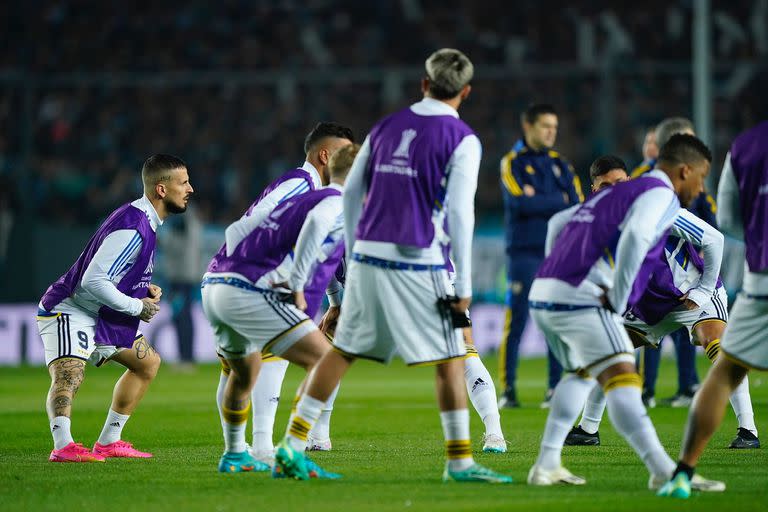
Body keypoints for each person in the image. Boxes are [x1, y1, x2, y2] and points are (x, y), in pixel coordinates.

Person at [273, 48, 512, 483]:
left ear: (424, 84)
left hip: (368, 258)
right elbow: (460, 213)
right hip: (422, 261)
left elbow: (349, 192)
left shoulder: (385, 127)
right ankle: (460, 462)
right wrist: (465, 284)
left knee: (340, 352)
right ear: (466, 92)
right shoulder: (462, 139)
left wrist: (356, 248)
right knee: (451, 357)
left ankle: (291, 444)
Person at [526, 134, 722, 491]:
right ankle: (665, 471)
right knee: (623, 382)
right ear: (685, 170)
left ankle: (547, 464)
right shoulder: (658, 193)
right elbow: (635, 236)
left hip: (545, 291)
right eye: (702, 176)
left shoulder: (615, 193)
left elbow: (557, 223)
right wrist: (619, 298)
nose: (701, 185)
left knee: (579, 374)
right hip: (582, 296)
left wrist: (554, 268)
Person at [564, 155, 759, 451]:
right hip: (648, 307)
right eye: (605, 186)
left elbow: (714, 239)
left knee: (717, 346)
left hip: (692, 295)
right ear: (594, 191)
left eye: (619, 183)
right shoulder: (594, 225)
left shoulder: (656, 207)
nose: (614, 190)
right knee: (609, 352)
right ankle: (588, 429)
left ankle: (748, 431)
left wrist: (704, 291)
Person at [202, 143, 359, 474]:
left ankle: (234, 454)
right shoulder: (334, 200)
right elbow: (317, 227)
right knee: (327, 360)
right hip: (250, 290)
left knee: (243, 372)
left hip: (216, 285)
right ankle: (290, 450)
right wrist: (298, 283)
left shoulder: (304, 197)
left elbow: (239, 228)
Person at [38, 154, 193, 462]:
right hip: (71, 308)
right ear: (161, 190)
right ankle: (62, 445)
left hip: (101, 314)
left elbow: (114, 273)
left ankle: (109, 441)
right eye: (184, 182)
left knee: (147, 364)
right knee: (70, 373)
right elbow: (93, 280)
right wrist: (137, 306)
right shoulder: (134, 226)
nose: (190, 189)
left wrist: (141, 287)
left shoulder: (144, 221)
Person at [658, 121, 768, 498]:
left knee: (725, 370)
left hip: (757, 278)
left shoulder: (744, 145)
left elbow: (728, 222)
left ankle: (685, 471)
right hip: (669, 292)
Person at [499, 103, 583, 408]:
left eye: (554, 127)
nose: (551, 132)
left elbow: (576, 205)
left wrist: (540, 200)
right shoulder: (512, 163)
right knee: (517, 319)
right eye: (545, 126)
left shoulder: (561, 164)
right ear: (529, 126)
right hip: (523, 254)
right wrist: (555, 201)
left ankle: (553, 389)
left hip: (557, 254)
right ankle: (508, 391)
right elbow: (520, 204)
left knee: (555, 320)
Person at [631, 118, 715, 408]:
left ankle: (687, 385)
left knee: (686, 335)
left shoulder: (692, 179)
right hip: (658, 276)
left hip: (689, 272)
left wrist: (701, 266)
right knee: (645, 336)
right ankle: (645, 389)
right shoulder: (647, 180)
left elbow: (711, 224)